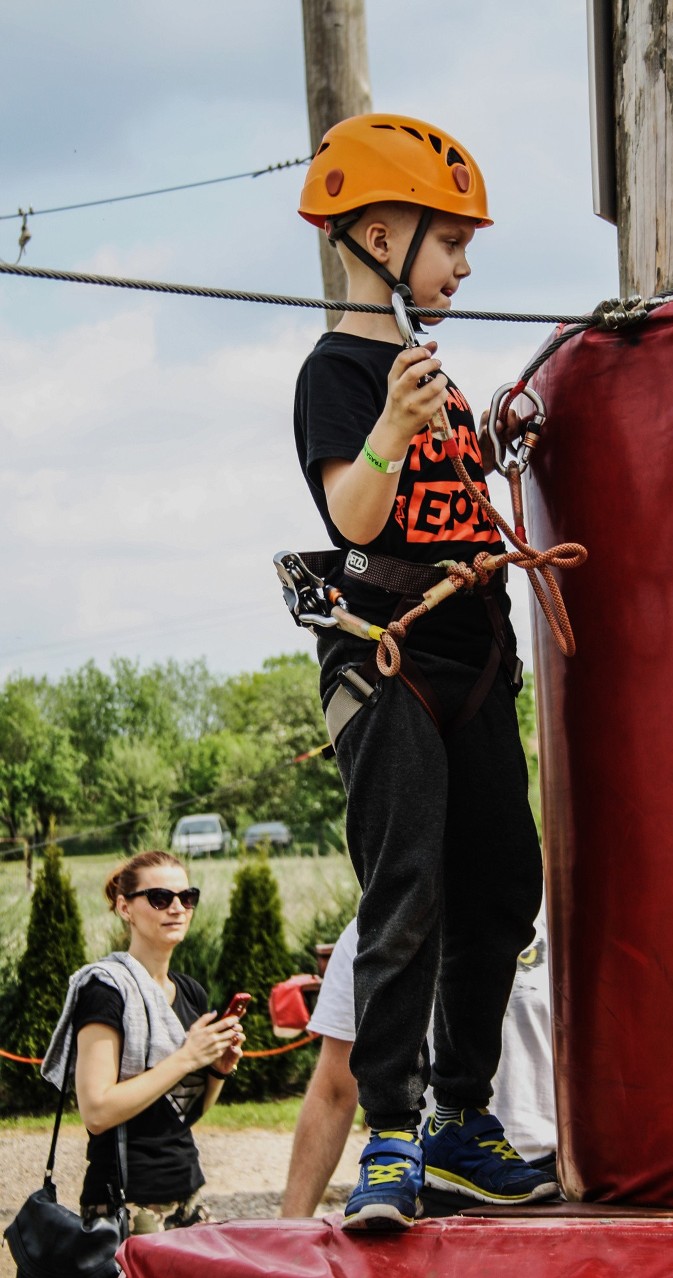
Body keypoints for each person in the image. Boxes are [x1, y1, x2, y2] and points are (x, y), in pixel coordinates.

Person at [293, 112, 558, 1230]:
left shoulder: (433, 379)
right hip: (388, 659)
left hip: (474, 655)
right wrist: (396, 433)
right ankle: (391, 1138)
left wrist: (493, 438)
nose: (461, 266)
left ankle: (458, 1122)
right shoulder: (340, 374)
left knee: (503, 884)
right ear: (379, 233)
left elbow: (460, 496)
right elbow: (352, 514)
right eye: (448, 242)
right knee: (408, 896)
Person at [280, 911, 558, 1219]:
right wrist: (290, 1232)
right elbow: (333, 1094)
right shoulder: (378, 924)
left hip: (543, 1184)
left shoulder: (555, 917)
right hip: (431, 1191)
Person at [40, 850, 245, 1236]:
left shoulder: (190, 992)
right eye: (159, 898)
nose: (177, 908)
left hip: (188, 1193)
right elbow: (96, 1111)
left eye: (187, 897)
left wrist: (218, 1068)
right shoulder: (105, 990)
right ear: (125, 907)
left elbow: (185, 1115)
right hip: (126, 1204)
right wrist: (186, 1058)